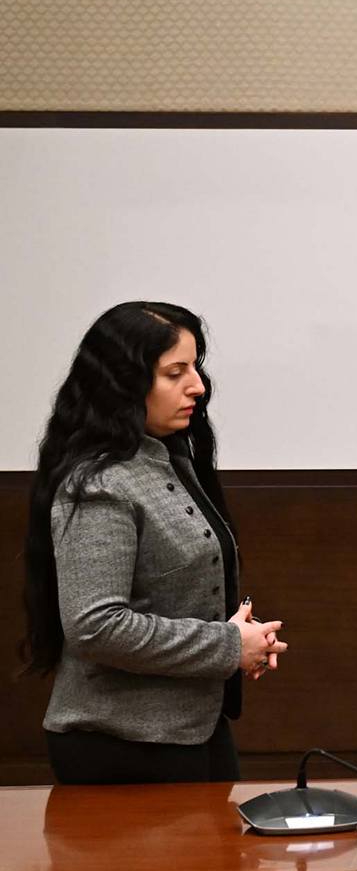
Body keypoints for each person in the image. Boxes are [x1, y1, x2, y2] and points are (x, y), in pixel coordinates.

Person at [21, 303, 285, 784]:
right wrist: (228, 645)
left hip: (193, 728)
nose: (197, 386)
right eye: (174, 373)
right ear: (122, 383)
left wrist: (242, 637)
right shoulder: (100, 484)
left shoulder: (165, 457)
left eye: (195, 367)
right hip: (122, 744)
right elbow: (95, 627)